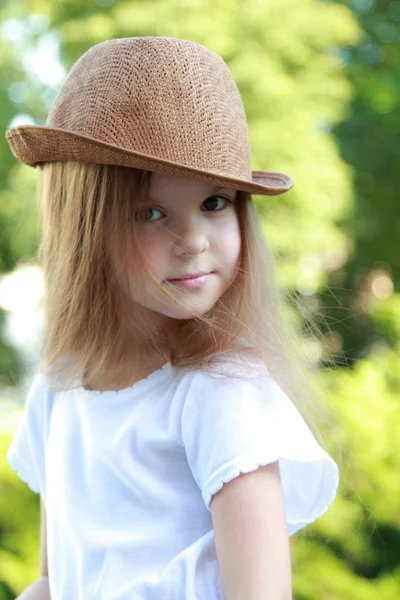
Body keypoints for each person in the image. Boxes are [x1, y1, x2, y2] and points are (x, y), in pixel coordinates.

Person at [5, 36, 339, 600]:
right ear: (83, 229)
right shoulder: (58, 386)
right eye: (151, 212)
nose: (192, 242)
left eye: (214, 203)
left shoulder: (220, 393)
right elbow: (54, 580)